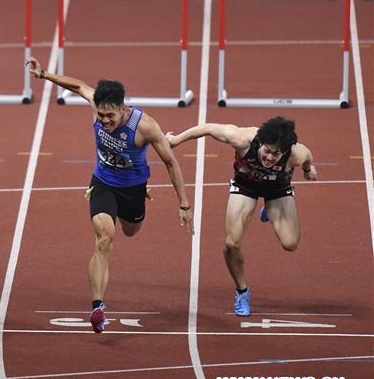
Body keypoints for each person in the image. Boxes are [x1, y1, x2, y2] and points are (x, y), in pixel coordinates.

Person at [25, 57, 194, 334]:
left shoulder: (145, 126)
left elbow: (171, 163)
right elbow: (79, 85)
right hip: (103, 183)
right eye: (100, 116)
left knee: (131, 230)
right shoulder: (98, 105)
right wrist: (44, 74)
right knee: (104, 239)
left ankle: (141, 197)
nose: (104, 121)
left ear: (122, 108)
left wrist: (184, 205)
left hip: (133, 189)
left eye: (109, 116)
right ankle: (97, 307)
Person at [166, 117, 316, 317]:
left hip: (278, 188)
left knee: (290, 243)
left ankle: (270, 210)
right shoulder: (242, 139)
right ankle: (242, 291)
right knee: (231, 244)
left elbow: (307, 157)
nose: (269, 158)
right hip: (246, 185)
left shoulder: (295, 154)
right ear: (260, 142)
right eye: (267, 151)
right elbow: (209, 128)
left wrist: (307, 170)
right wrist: (176, 140)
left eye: (276, 154)